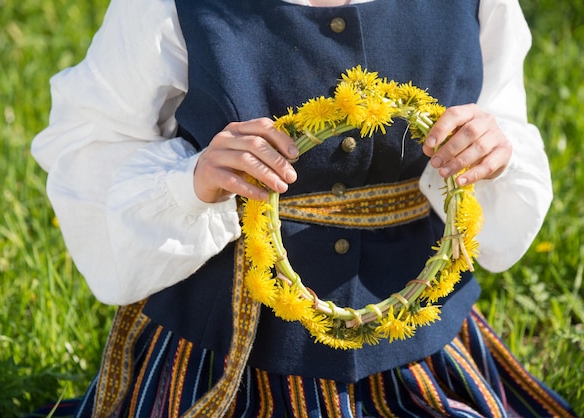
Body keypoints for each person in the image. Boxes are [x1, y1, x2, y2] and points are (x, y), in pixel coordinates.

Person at [31, 0, 577, 416]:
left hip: (416, 350)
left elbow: (503, 115)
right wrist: (192, 181)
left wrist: (489, 147)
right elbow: (93, 145)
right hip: (230, 356)